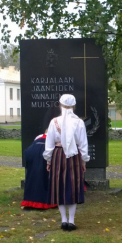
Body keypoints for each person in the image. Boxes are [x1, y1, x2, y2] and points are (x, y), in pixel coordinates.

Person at [43, 94, 89, 231]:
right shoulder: (79, 122)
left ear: (61, 105)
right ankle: (71, 220)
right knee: (73, 186)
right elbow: (83, 144)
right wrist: (84, 161)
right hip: (74, 155)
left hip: (58, 154)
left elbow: (49, 144)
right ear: (73, 107)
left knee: (59, 186)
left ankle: (64, 220)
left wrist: (49, 160)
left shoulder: (54, 122)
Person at [21, 106, 61, 209]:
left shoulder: (38, 137)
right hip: (45, 154)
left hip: (32, 154)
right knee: (45, 178)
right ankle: (46, 201)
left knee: (33, 177)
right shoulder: (57, 136)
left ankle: (30, 201)